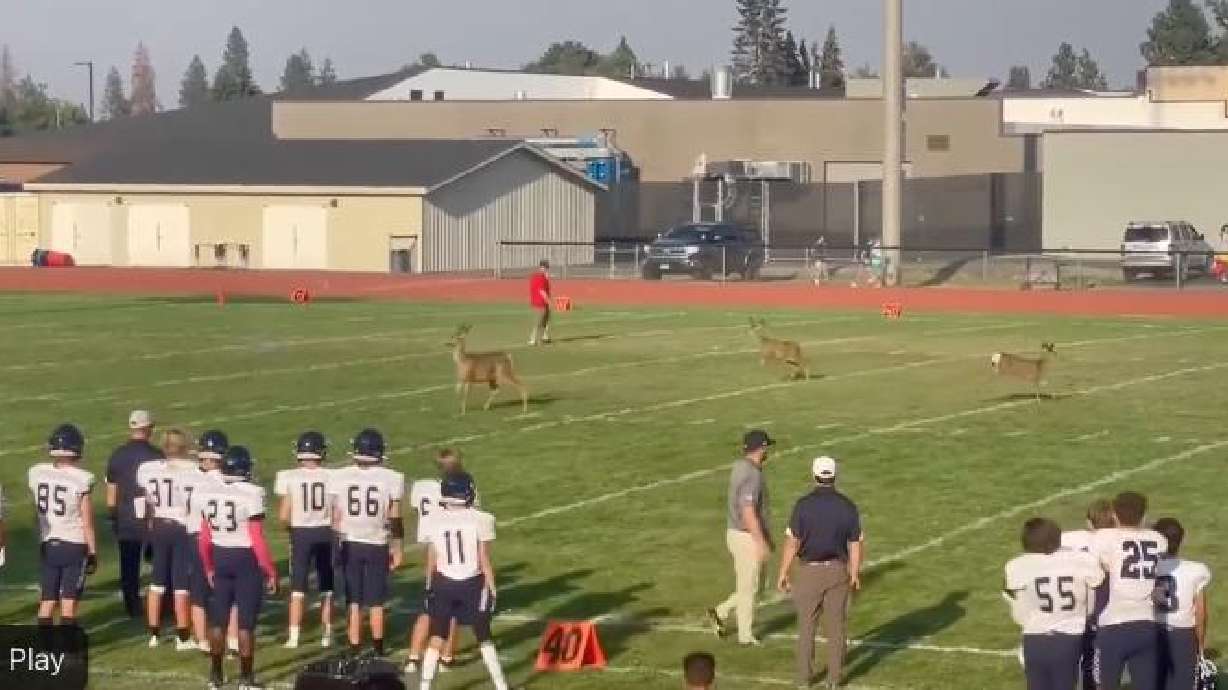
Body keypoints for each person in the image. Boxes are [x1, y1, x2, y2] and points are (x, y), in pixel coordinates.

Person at [776, 456, 863, 689]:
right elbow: (855, 543)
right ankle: (834, 679)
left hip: (809, 573)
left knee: (806, 627)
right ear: (834, 475)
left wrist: (783, 571)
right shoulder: (847, 505)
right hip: (837, 571)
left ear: (814, 475)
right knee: (836, 628)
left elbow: (792, 542)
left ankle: (804, 679)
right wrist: (854, 572)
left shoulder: (803, 505)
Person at [417, 471, 508, 690]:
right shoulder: (482, 519)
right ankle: (501, 685)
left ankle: (424, 687)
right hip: (471, 582)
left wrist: (429, 584)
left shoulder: (431, 520)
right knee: (484, 637)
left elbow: (432, 557)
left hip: (443, 581)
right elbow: (483, 558)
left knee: (437, 635)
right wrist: (493, 588)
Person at [196, 445, 278, 690]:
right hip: (245, 560)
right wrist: (269, 569)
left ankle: (216, 674)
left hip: (220, 556)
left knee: (218, 621)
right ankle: (245, 678)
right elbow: (257, 538)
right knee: (245, 624)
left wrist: (209, 565)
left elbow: (204, 537)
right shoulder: (251, 494)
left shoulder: (208, 493)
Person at [1004, 517, 1105, 690]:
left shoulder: (1018, 566)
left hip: (1034, 637)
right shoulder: (1080, 560)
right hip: (1069, 636)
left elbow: (1018, 609)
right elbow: (1095, 588)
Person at [329, 428, 404, 656]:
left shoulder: (339, 476)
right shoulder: (392, 478)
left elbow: (335, 516)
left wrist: (334, 544)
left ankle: (354, 648)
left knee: (354, 600)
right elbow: (395, 517)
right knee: (376, 601)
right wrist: (398, 547)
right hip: (376, 542)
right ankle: (379, 649)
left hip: (349, 542)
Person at [1092, 491, 1168, 690]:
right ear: (1144, 516)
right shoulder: (1158, 539)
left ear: (1114, 515)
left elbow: (1101, 569)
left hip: (1114, 625)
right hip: (1146, 624)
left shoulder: (1104, 537)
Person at [707, 429, 774, 646]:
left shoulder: (740, 467)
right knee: (749, 588)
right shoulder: (752, 475)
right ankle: (745, 636)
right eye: (767, 447)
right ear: (761, 448)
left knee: (755, 587)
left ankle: (720, 612)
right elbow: (747, 511)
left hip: (739, 533)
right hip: (746, 536)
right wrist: (760, 541)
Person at [405, 448, 470, 674]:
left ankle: (413, 657)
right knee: (452, 609)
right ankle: (446, 657)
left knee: (429, 605)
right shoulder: (462, 487)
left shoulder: (421, 486)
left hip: (431, 546)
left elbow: (417, 511)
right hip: (454, 551)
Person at [29, 424, 97, 626]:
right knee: (68, 602)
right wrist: (92, 551)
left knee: (47, 601)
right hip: (73, 544)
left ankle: (45, 648)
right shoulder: (80, 479)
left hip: (49, 543)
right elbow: (87, 522)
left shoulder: (37, 473)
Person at [136, 428, 197, 650]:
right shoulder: (192, 470)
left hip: (159, 524)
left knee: (157, 581)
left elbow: (146, 501)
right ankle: (182, 637)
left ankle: (153, 634)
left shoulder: (148, 469)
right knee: (181, 582)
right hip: (180, 526)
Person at [274, 431, 335, 649]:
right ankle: (327, 633)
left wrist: (289, 529)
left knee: (298, 587)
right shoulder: (332, 476)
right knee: (326, 586)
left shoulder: (289, 477)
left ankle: (294, 636)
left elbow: (283, 515)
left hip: (300, 533)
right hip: (325, 532)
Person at [106, 410, 163, 618]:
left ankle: (132, 607)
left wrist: (113, 518)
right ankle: (160, 606)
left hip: (126, 517)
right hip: (151, 518)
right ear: (149, 428)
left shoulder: (117, 455)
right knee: (159, 564)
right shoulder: (157, 455)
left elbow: (111, 493)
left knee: (129, 566)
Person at [1062, 497, 1116, 690]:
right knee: (1095, 664)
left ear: (1088, 522)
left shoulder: (1066, 538)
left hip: (1067, 608)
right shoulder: (1115, 544)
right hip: (1098, 610)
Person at [182, 430, 229, 651]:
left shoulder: (187, 476)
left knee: (198, 591)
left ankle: (201, 640)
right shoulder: (225, 479)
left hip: (194, 536)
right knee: (222, 590)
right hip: (219, 537)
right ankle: (226, 639)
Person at [1152, 518, 1211, 690]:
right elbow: (1201, 612)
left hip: (1152, 631)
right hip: (1182, 634)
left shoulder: (1148, 568)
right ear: (1181, 540)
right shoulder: (1196, 570)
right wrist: (1200, 644)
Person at [528, 259, 552, 346]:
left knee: (545, 321)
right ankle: (533, 339)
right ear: (543, 267)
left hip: (541, 302)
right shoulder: (540, 277)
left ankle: (544, 336)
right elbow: (542, 291)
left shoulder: (538, 277)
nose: (546, 269)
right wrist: (548, 301)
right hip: (540, 303)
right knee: (539, 322)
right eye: (546, 267)